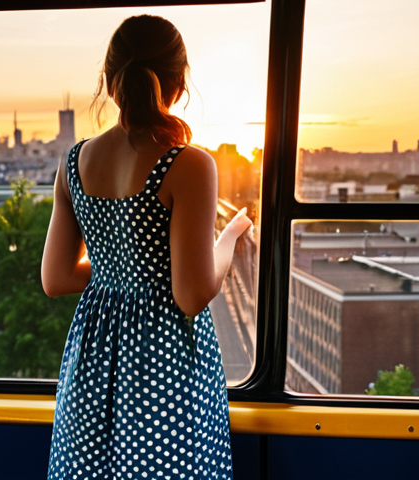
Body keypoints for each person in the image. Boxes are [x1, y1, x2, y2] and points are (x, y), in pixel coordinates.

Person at [41, 14, 252, 479]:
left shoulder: (73, 162)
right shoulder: (189, 164)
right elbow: (191, 294)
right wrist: (229, 237)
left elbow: (55, 280)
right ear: (179, 84)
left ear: (109, 83)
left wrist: (121, 270)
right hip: (163, 361)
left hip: (92, 361)